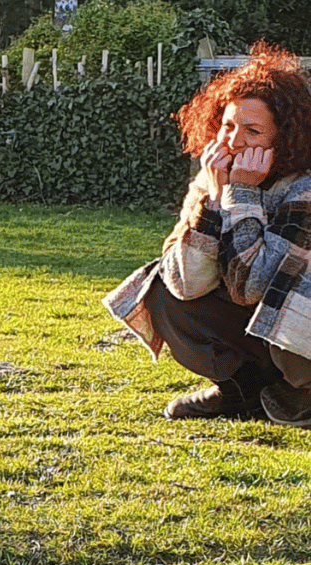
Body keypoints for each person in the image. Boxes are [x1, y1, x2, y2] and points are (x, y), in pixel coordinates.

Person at [104, 45, 311, 425]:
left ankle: (301, 391)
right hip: (260, 330)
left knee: (285, 294)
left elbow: (252, 288)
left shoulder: (304, 189)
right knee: (162, 287)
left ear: (285, 137)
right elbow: (187, 284)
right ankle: (241, 390)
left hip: (299, 338)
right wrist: (214, 200)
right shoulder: (215, 177)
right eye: (228, 126)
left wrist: (241, 194)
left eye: (252, 131)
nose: (234, 142)